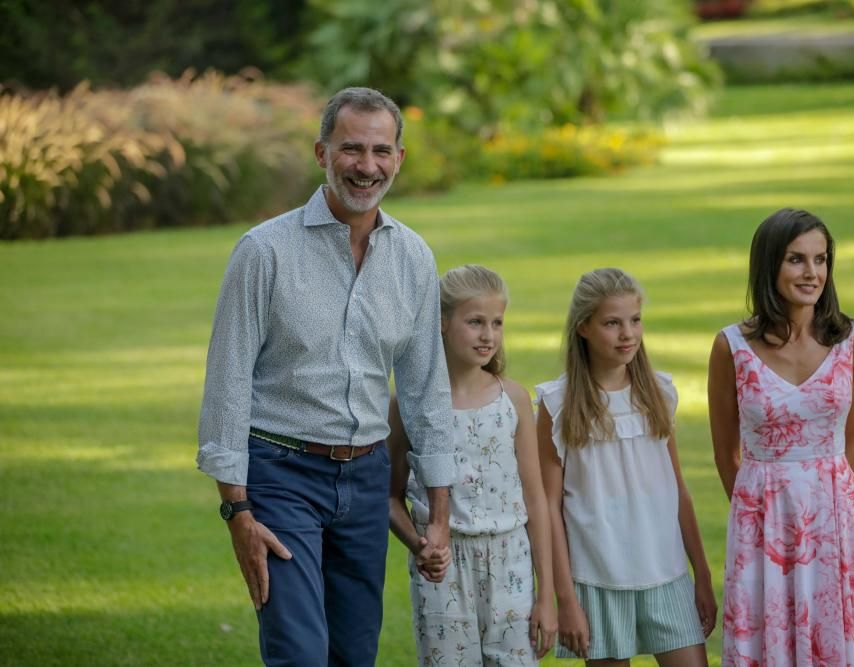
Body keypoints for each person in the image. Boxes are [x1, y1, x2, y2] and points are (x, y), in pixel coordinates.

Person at [196, 87, 454, 667]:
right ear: (322, 153)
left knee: (353, 655)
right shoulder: (264, 251)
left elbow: (425, 389)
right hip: (281, 475)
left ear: (399, 158)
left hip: (367, 481)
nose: (367, 166)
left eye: (381, 151)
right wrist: (237, 511)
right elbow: (228, 382)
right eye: (351, 149)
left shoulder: (413, 258)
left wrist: (439, 514)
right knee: (300, 654)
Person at [708, 208, 854, 665]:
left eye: (821, 259)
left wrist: (823, 498)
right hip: (761, 519)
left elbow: (849, 445)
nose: (812, 272)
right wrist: (760, 512)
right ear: (768, 265)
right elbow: (726, 455)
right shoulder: (731, 347)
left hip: (836, 516)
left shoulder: (853, 340)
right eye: (796, 259)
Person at [537, 268, 716, 667]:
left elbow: (679, 490)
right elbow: (548, 507)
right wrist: (565, 599)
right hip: (598, 578)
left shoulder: (659, 393)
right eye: (612, 323)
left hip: (666, 571)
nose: (627, 334)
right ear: (583, 327)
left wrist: (702, 575)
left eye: (635, 320)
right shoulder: (557, 404)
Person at [388, 264, 558, 666]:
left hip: (510, 562)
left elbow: (535, 501)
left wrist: (546, 596)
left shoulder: (513, 399)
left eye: (497, 323)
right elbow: (388, 497)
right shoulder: (409, 403)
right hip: (443, 571)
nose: (488, 335)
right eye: (475, 322)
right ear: (442, 322)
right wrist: (420, 546)